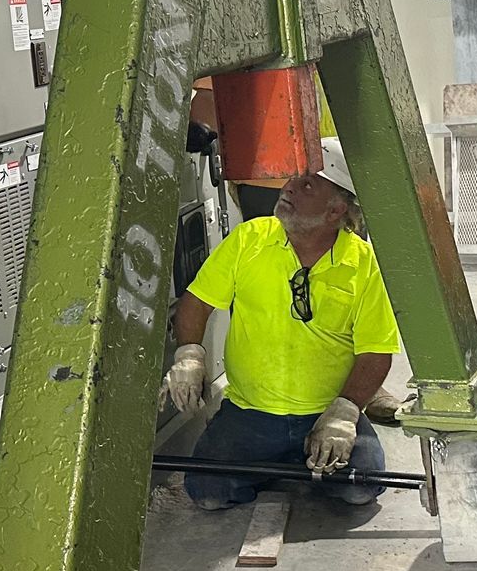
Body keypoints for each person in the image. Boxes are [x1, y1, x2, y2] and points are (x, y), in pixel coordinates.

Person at [163, 137, 401, 508]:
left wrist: (345, 412)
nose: (289, 187)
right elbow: (196, 302)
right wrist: (190, 355)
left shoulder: (363, 264)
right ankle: (286, 461)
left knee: (361, 489)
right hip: (250, 412)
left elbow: (376, 351)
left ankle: (290, 458)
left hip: (323, 409)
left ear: (336, 209)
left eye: (307, 184)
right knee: (208, 494)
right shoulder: (249, 240)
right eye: (292, 177)